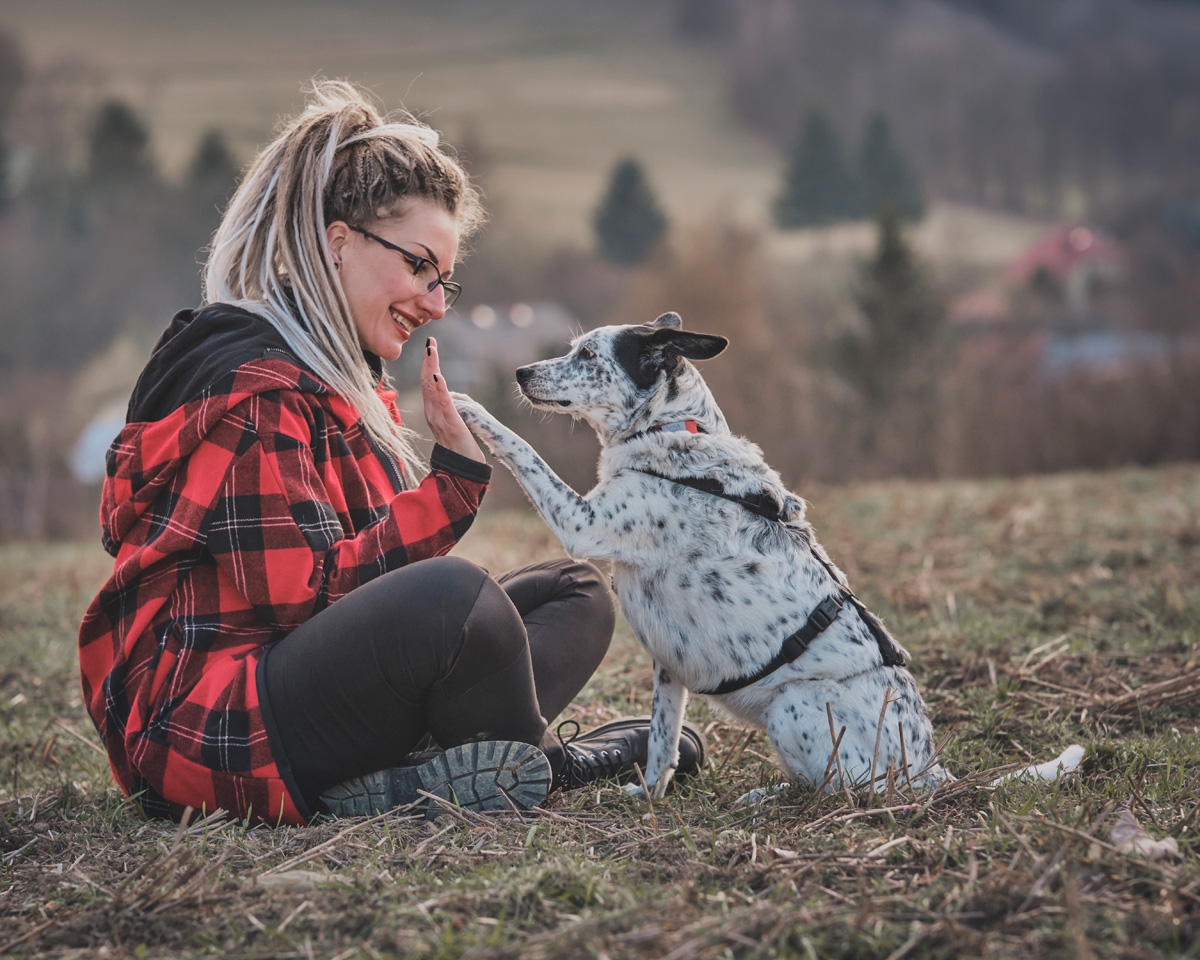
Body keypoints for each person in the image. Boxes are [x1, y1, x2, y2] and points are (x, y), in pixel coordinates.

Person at [78, 81, 704, 826]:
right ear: (339, 241)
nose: (437, 303)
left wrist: (446, 486)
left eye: (445, 278)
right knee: (451, 599)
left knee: (575, 593)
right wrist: (450, 487)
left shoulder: (342, 383)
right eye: (418, 267)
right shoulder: (254, 390)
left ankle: (423, 772)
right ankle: (542, 764)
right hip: (211, 727)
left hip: (297, 698)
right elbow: (303, 601)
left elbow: (367, 600)